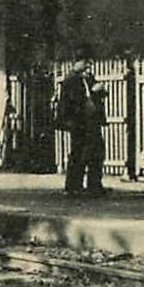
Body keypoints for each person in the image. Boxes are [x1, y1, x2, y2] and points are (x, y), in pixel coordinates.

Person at [54, 55, 94, 195]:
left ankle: (81, 184)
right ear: (76, 62)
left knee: (84, 152)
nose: (87, 65)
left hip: (84, 121)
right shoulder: (71, 80)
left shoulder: (83, 78)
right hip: (77, 121)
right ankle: (72, 185)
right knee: (77, 152)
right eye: (84, 62)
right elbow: (71, 102)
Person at [74, 82, 109, 196]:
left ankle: (90, 184)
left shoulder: (88, 103)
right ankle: (94, 185)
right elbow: (102, 120)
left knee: (89, 160)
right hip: (93, 135)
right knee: (95, 160)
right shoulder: (95, 105)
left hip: (88, 135)